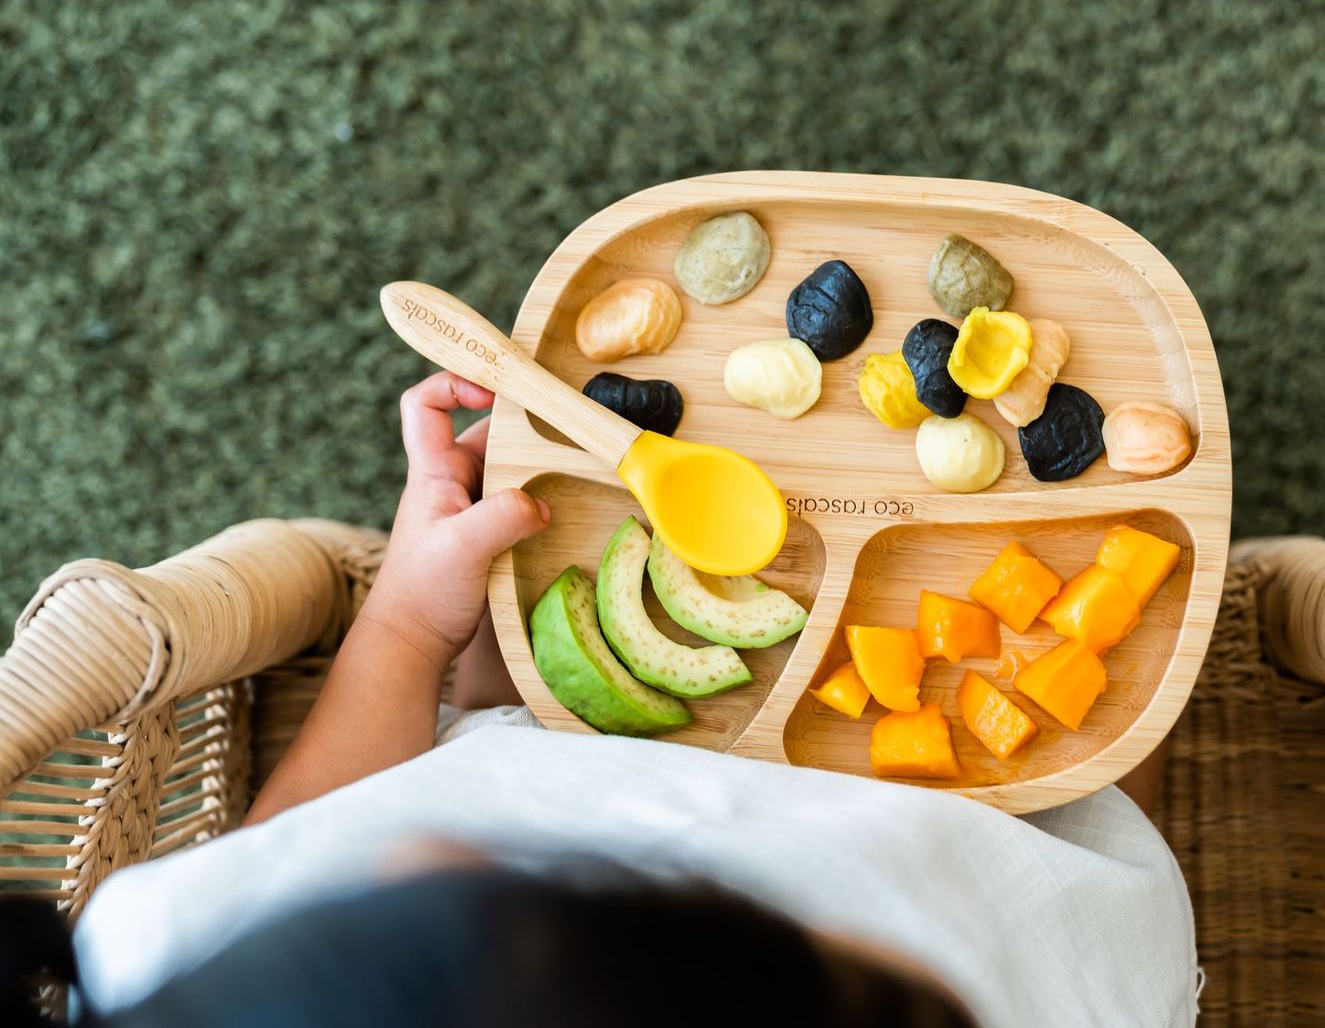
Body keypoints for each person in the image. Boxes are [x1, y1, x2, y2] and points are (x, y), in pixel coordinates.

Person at [18, 372, 1196, 1026]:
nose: (425, 851)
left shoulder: (152, 962)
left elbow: (315, 833)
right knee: (1091, 717)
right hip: (980, 847)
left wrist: (409, 623)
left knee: (502, 700)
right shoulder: (964, 990)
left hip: (550, 745)